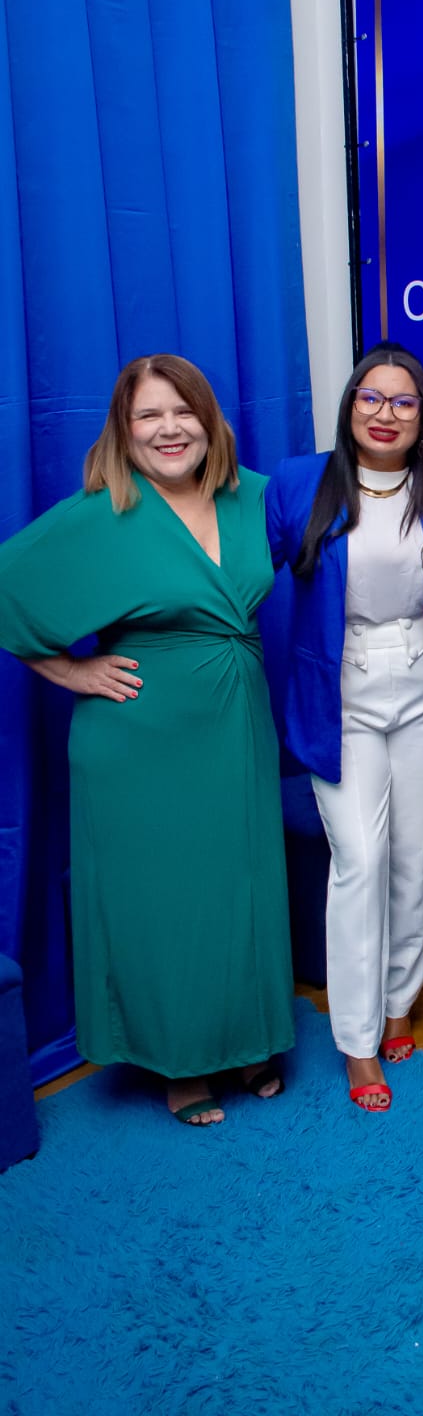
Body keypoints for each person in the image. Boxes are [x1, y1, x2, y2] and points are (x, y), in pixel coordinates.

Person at [0, 355, 294, 1125]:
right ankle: (180, 1064)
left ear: (209, 419)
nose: (169, 429)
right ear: (123, 431)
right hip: (137, 746)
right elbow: (7, 588)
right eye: (148, 416)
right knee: (166, 905)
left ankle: (248, 1038)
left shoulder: (255, 497)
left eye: (182, 411)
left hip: (236, 728)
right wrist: (72, 672)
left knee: (242, 886)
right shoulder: (106, 512)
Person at [266, 345, 423, 1113]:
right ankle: (356, 1040)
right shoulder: (298, 483)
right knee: (359, 859)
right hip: (340, 697)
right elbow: (247, 577)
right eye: (371, 398)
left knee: (416, 859)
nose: (386, 413)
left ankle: (397, 1004)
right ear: (350, 405)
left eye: (403, 401)